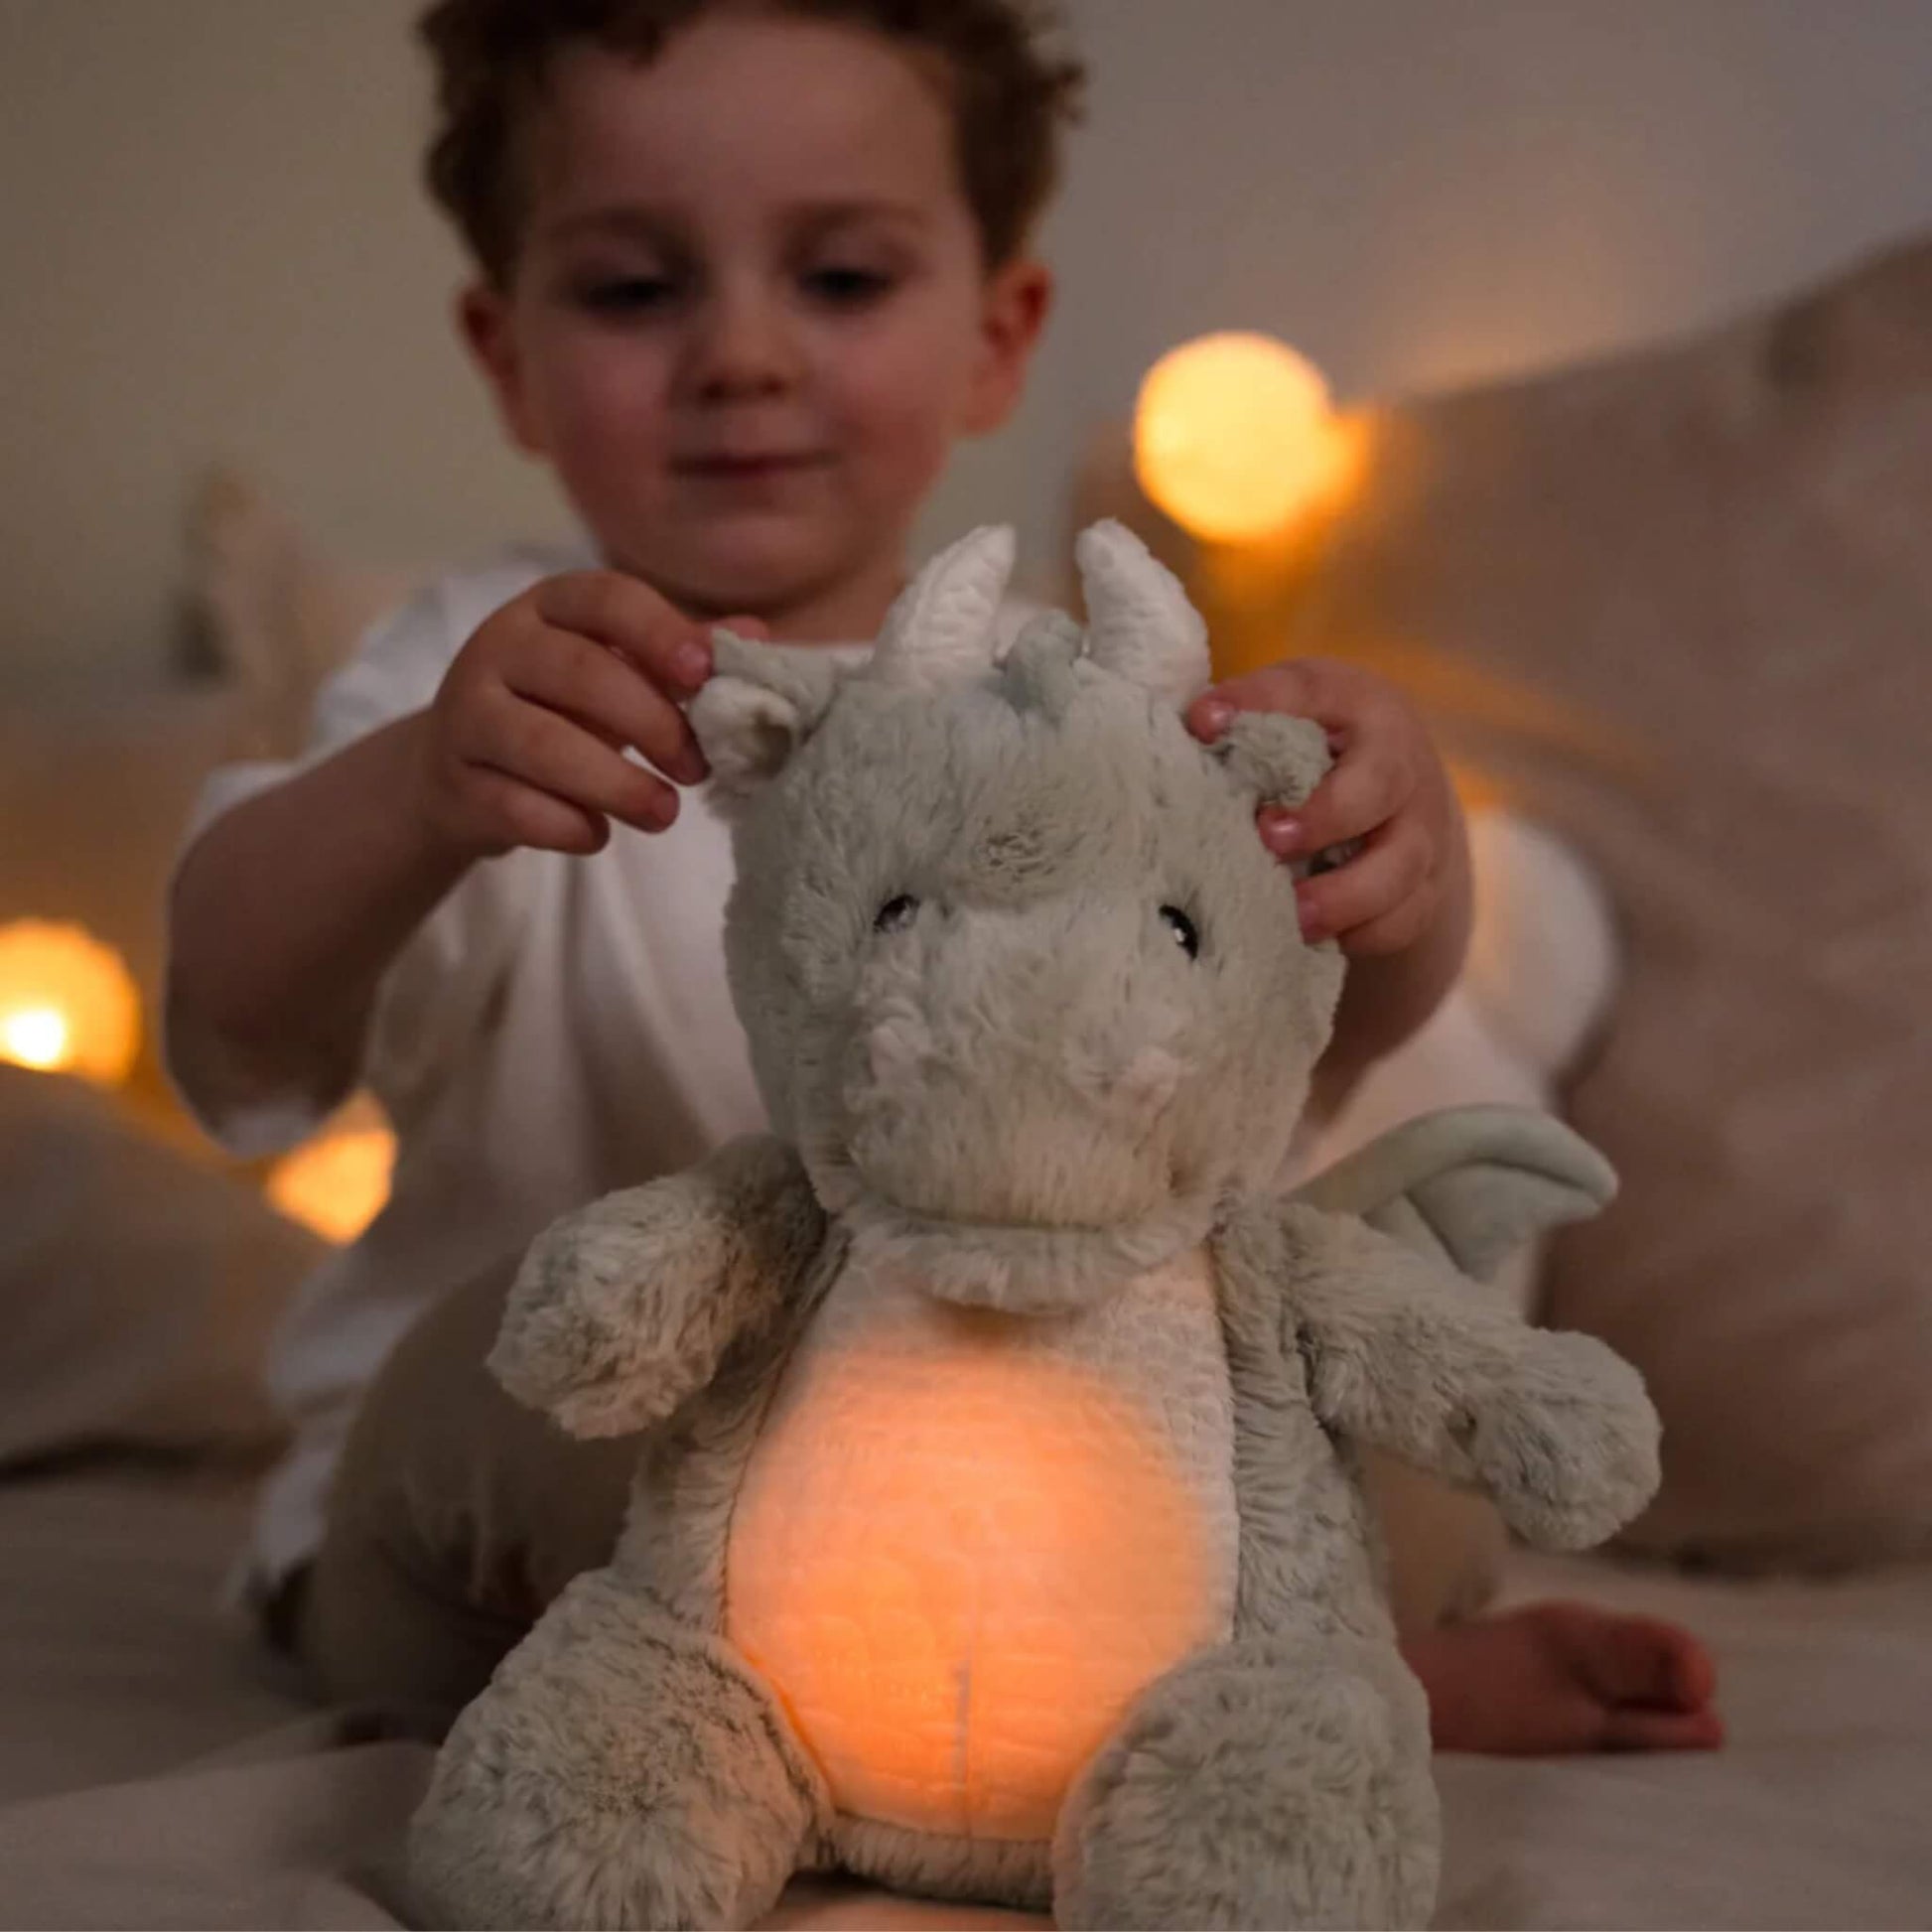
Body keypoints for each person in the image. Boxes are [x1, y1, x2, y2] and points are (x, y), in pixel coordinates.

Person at [165, 0, 1721, 1760]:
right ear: (505, 352)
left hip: (997, 1497)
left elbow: (1289, 1041)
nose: (741, 354)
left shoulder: (1081, 708)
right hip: (524, 1535)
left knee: (1348, 1447)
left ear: (996, 336)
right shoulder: (492, 677)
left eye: (838, 280)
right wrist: (412, 793)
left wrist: (1403, 879)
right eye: (631, 289)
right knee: (514, 1374)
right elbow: (234, 1019)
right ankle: (1208, 1691)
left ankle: (1155, 1689)